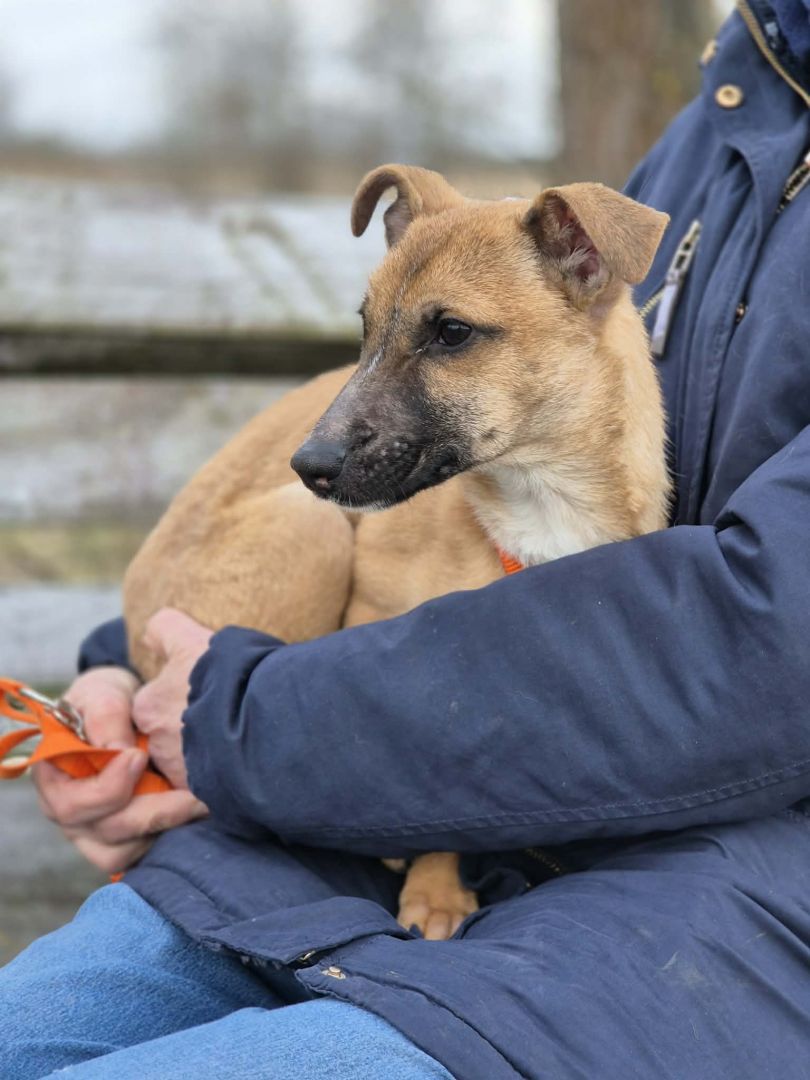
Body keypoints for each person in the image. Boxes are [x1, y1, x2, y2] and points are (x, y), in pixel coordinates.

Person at [4, 4, 810, 1077]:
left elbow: (764, 652)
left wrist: (233, 715)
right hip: (341, 810)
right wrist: (125, 672)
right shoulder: (741, 96)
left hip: (694, 921)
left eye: (450, 338)